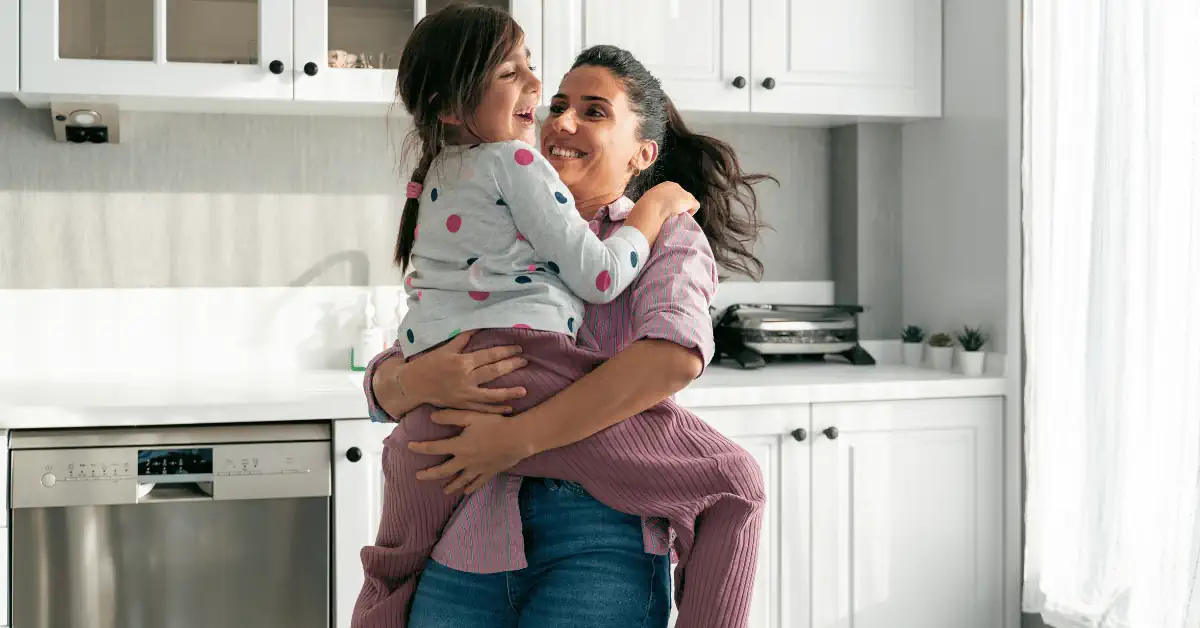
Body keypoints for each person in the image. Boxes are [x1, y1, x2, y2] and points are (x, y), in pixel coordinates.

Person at [354, 9, 776, 628]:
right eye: (558, 103)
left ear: (643, 153)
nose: (562, 120)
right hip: (467, 541)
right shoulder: (494, 207)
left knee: (737, 481)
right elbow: (427, 346)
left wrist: (514, 440)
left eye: (595, 111)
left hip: (597, 545)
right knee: (735, 481)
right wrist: (409, 382)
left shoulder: (667, 237)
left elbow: (670, 358)